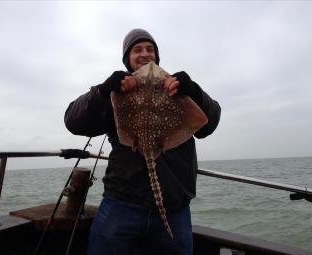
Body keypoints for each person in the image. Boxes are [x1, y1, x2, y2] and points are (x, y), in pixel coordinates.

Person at [64, 28, 221, 255]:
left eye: (150, 49)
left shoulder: (177, 89)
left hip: (174, 206)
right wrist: (102, 90)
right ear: (127, 59)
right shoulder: (115, 94)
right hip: (121, 203)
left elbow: (210, 124)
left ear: (157, 56)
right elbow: (73, 121)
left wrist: (194, 92)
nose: (145, 54)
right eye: (137, 50)